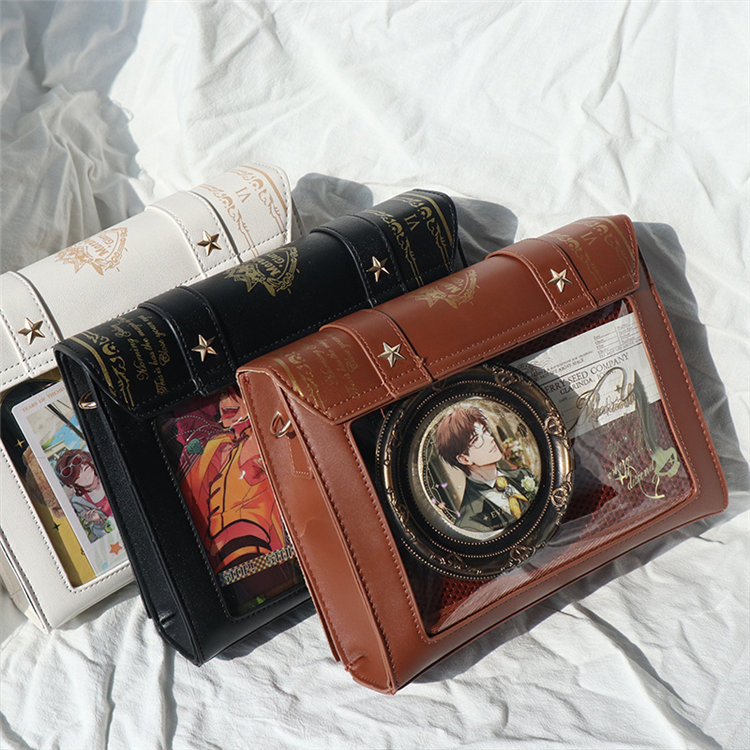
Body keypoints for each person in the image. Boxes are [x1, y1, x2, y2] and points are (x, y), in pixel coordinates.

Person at [180, 387, 287, 585]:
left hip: (255, 555)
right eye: (220, 393)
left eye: (233, 391)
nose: (225, 398)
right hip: (227, 561)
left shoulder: (255, 442)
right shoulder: (216, 448)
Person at [434, 406, 536, 532]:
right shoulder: (469, 522)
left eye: (485, 431)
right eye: (476, 439)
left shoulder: (523, 475)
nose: (491, 439)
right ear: (464, 459)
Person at [55, 449, 111, 540]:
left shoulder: (106, 473)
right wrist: (97, 522)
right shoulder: (78, 502)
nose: (85, 475)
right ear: (72, 484)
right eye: (78, 476)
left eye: (85, 469)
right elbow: (99, 536)